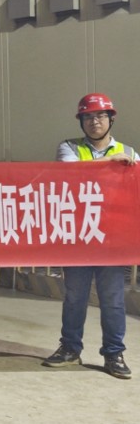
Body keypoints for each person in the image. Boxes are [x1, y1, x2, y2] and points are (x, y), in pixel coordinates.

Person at [43, 93, 135, 380]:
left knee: (113, 299)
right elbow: (71, 174)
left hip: (112, 239)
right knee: (74, 297)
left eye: (100, 116)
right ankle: (70, 348)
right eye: (88, 117)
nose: (95, 122)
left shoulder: (130, 153)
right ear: (81, 121)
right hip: (78, 236)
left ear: (111, 119)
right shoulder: (69, 148)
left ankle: (114, 353)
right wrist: (111, 162)